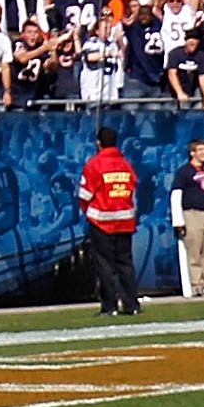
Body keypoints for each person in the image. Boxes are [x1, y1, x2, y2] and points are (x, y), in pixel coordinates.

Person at [81, 123, 143, 317]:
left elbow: (84, 194)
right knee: (125, 263)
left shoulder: (94, 164)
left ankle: (110, 307)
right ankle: (132, 305)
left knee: (105, 265)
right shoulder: (126, 164)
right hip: (125, 220)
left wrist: (89, 212)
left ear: (98, 144)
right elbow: (133, 189)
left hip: (101, 220)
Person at [171, 139, 204, 297]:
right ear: (192, 153)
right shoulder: (184, 172)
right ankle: (197, 285)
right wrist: (178, 221)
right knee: (194, 251)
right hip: (192, 214)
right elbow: (176, 195)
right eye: (200, 149)